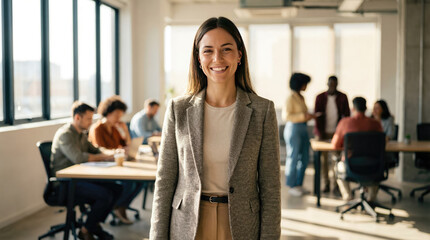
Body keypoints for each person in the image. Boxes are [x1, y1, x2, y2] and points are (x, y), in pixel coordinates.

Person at [150, 17, 280, 240]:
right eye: (208, 50)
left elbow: (270, 188)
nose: (217, 58)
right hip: (188, 224)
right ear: (199, 58)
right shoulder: (178, 109)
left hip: (241, 225)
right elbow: (165, 181)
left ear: (239, 55)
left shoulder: (262, 111)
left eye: (226, 49)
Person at [51, 101, 122, 240]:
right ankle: (86, 230)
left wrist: (113, 153)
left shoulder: (81, 134)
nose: (91, 122)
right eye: (89, 119)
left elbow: (95, 150)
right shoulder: (65, 134)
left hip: (80, 179)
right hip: (65, 184)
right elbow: (78, 158)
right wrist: (105, 156)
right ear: (77, 118)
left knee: (117, 188)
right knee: (104, 195)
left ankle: (92, 225)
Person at [88, 96, 143, 225]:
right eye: (117, 115)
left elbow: (127, 145)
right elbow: (101, 152)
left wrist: (124, 131)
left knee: (140, 182)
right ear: (108, 112)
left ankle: (120, 206)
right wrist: (118, 152)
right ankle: (118, 207)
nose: (119, 118)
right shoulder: (97, 129)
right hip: (104, 168)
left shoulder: (114, 128)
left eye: (121, 115)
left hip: (116, 165)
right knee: (129, 183)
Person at [331, 97, 383, 202]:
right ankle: (371, 198)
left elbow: (335, 145)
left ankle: (348, 196)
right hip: (374, 165)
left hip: (350, 165)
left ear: (353, 109)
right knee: (379, 163)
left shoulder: (345, 122)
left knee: (338, 165)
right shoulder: (375, 123)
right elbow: (382, 144)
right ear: (366, 108)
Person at [314, 75, 350, 193]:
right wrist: (319, 135)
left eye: (335, 84)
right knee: (324, 161)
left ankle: (336, 185)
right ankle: (326, 183)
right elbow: (317, 117)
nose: (332, 86)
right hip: (323, 133)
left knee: (336, 160)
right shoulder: (319, 97)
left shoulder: (343, 97)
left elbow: (346, 116)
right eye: (331, 84)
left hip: (337, 134)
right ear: (327, 84)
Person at [283, 72, 318, 197]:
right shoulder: (290, 98)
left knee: (304, 158)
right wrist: (304, 116)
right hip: (293, 129)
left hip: (303, 128)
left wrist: (309, 116)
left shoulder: (301, 97)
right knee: (293, 157)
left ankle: (299, 184)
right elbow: (286, 116)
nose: (306, 86)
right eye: (305, 84)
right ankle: (292, 185)